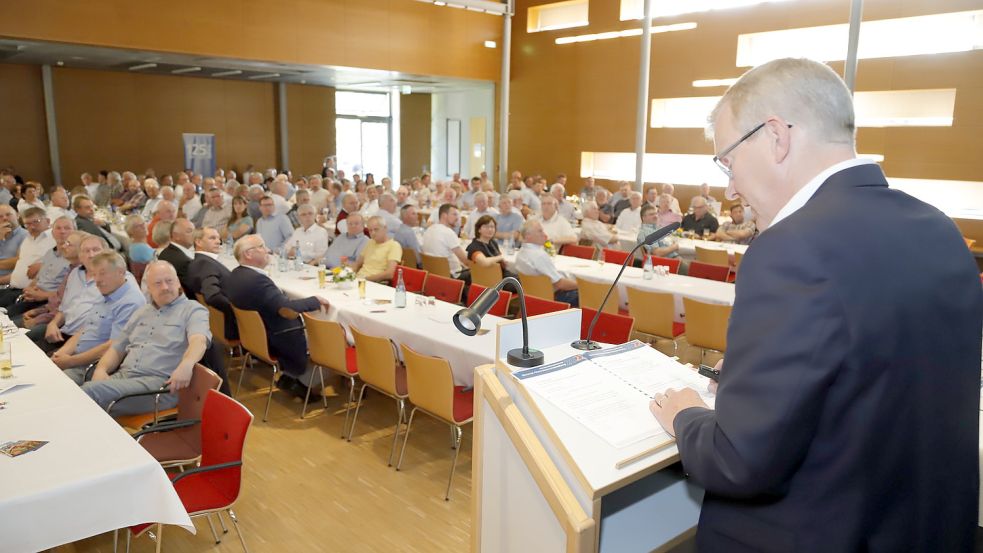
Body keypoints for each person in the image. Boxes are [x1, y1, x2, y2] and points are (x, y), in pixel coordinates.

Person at [648, 58, 983, 552]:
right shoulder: (938, 229)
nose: (731, 188)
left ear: (776, 136)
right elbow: (882, 376)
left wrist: (686, 415)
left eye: (728, 161)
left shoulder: (790, 248)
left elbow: (738, 460)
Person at [64, 260, 208, 414]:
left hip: (158, 387)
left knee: (89, 393)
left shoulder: (193, 310)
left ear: (178, 282)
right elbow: (117, 348)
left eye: (169, 281)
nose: (165, 287)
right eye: (158, 283)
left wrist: (187, 364)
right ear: (148, 287)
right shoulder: (142, 312)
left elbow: (199, 340)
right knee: (65, 381)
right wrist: (101, 369)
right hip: (124, 378)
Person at [225, 235, 331, 398]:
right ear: (248, 254)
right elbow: (285, 309)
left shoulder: (236, 275)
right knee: (331, 341)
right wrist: (314, 301)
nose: (267, 250)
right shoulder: (257, 280)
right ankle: (301, 382)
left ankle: (291, 377)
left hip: (255, 338)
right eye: (261, 246)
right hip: (278, 338)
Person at [51, 249, 144, 370]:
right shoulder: (106, 291)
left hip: (92, 366)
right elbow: (84, 330)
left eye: (102, 273)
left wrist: (70, 361)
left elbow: (113, 346)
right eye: (94, 274)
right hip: (76, 358)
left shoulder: (131, 302)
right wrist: (60, 354)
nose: (97, 280)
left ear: (121, 272)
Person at [27, 232, 102, 351]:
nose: (91, 255)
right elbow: (64, 308)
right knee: (23, 349)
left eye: (96, 250)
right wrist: (53, 324)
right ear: (80, 255)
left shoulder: (110, 279)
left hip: (86, 340)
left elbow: (100, 323)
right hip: (63, 330)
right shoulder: (75, 273)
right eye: (86, 251)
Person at [186, 227, 237, 340]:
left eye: (218, 238)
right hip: (232, 325)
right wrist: (235, 309)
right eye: (212, 238)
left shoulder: (198, 262)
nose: (218, 241)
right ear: (198, 242)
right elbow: (212, 296)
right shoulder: (205, 264)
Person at [514, 220, 578, 306]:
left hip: (530, 297)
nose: (544, 234)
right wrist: (581, 285)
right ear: (528, 236)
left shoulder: (521, 253)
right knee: (585, 293)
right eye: (540, 231)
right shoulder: (539, 255)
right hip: (549, 299)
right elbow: (560, 284)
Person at [422, 203, 469, 283]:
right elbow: (465, 260)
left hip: (432, 275)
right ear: (444, 215)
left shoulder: (428, 230)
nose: (457, 218)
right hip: (451, 276)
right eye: (454, 214)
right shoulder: (448, 233)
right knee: (478, 273)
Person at [351, 216, 401, 283]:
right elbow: (358, 263)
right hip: (359, 279)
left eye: (376, 229)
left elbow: (389, 274)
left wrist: (365, 279)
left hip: (375, 282)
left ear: (385, 228)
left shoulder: (394, 246)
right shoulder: (370, 242)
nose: (373, 233)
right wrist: (349, 275)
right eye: (370, 230)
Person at [156, 217, 196, 297]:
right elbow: (194, 292)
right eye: (189, 231)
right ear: (176, 236)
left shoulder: (164, 252)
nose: (194, 235)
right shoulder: (185, 262)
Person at [466, 215, 513, 279]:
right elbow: (485, 262)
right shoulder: (474, 247)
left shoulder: (493, 243)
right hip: (489, 279)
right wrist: (501, 257)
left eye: (492, 227)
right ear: (479, 229)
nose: (490, 229)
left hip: (500, 275)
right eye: (486, 227)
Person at [0, 205, 27, 280]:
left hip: (9, 285)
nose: (4, 218)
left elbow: (18, 262)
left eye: (8, 214)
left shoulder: (26, 235)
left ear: (18, 215)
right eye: (0, 216)